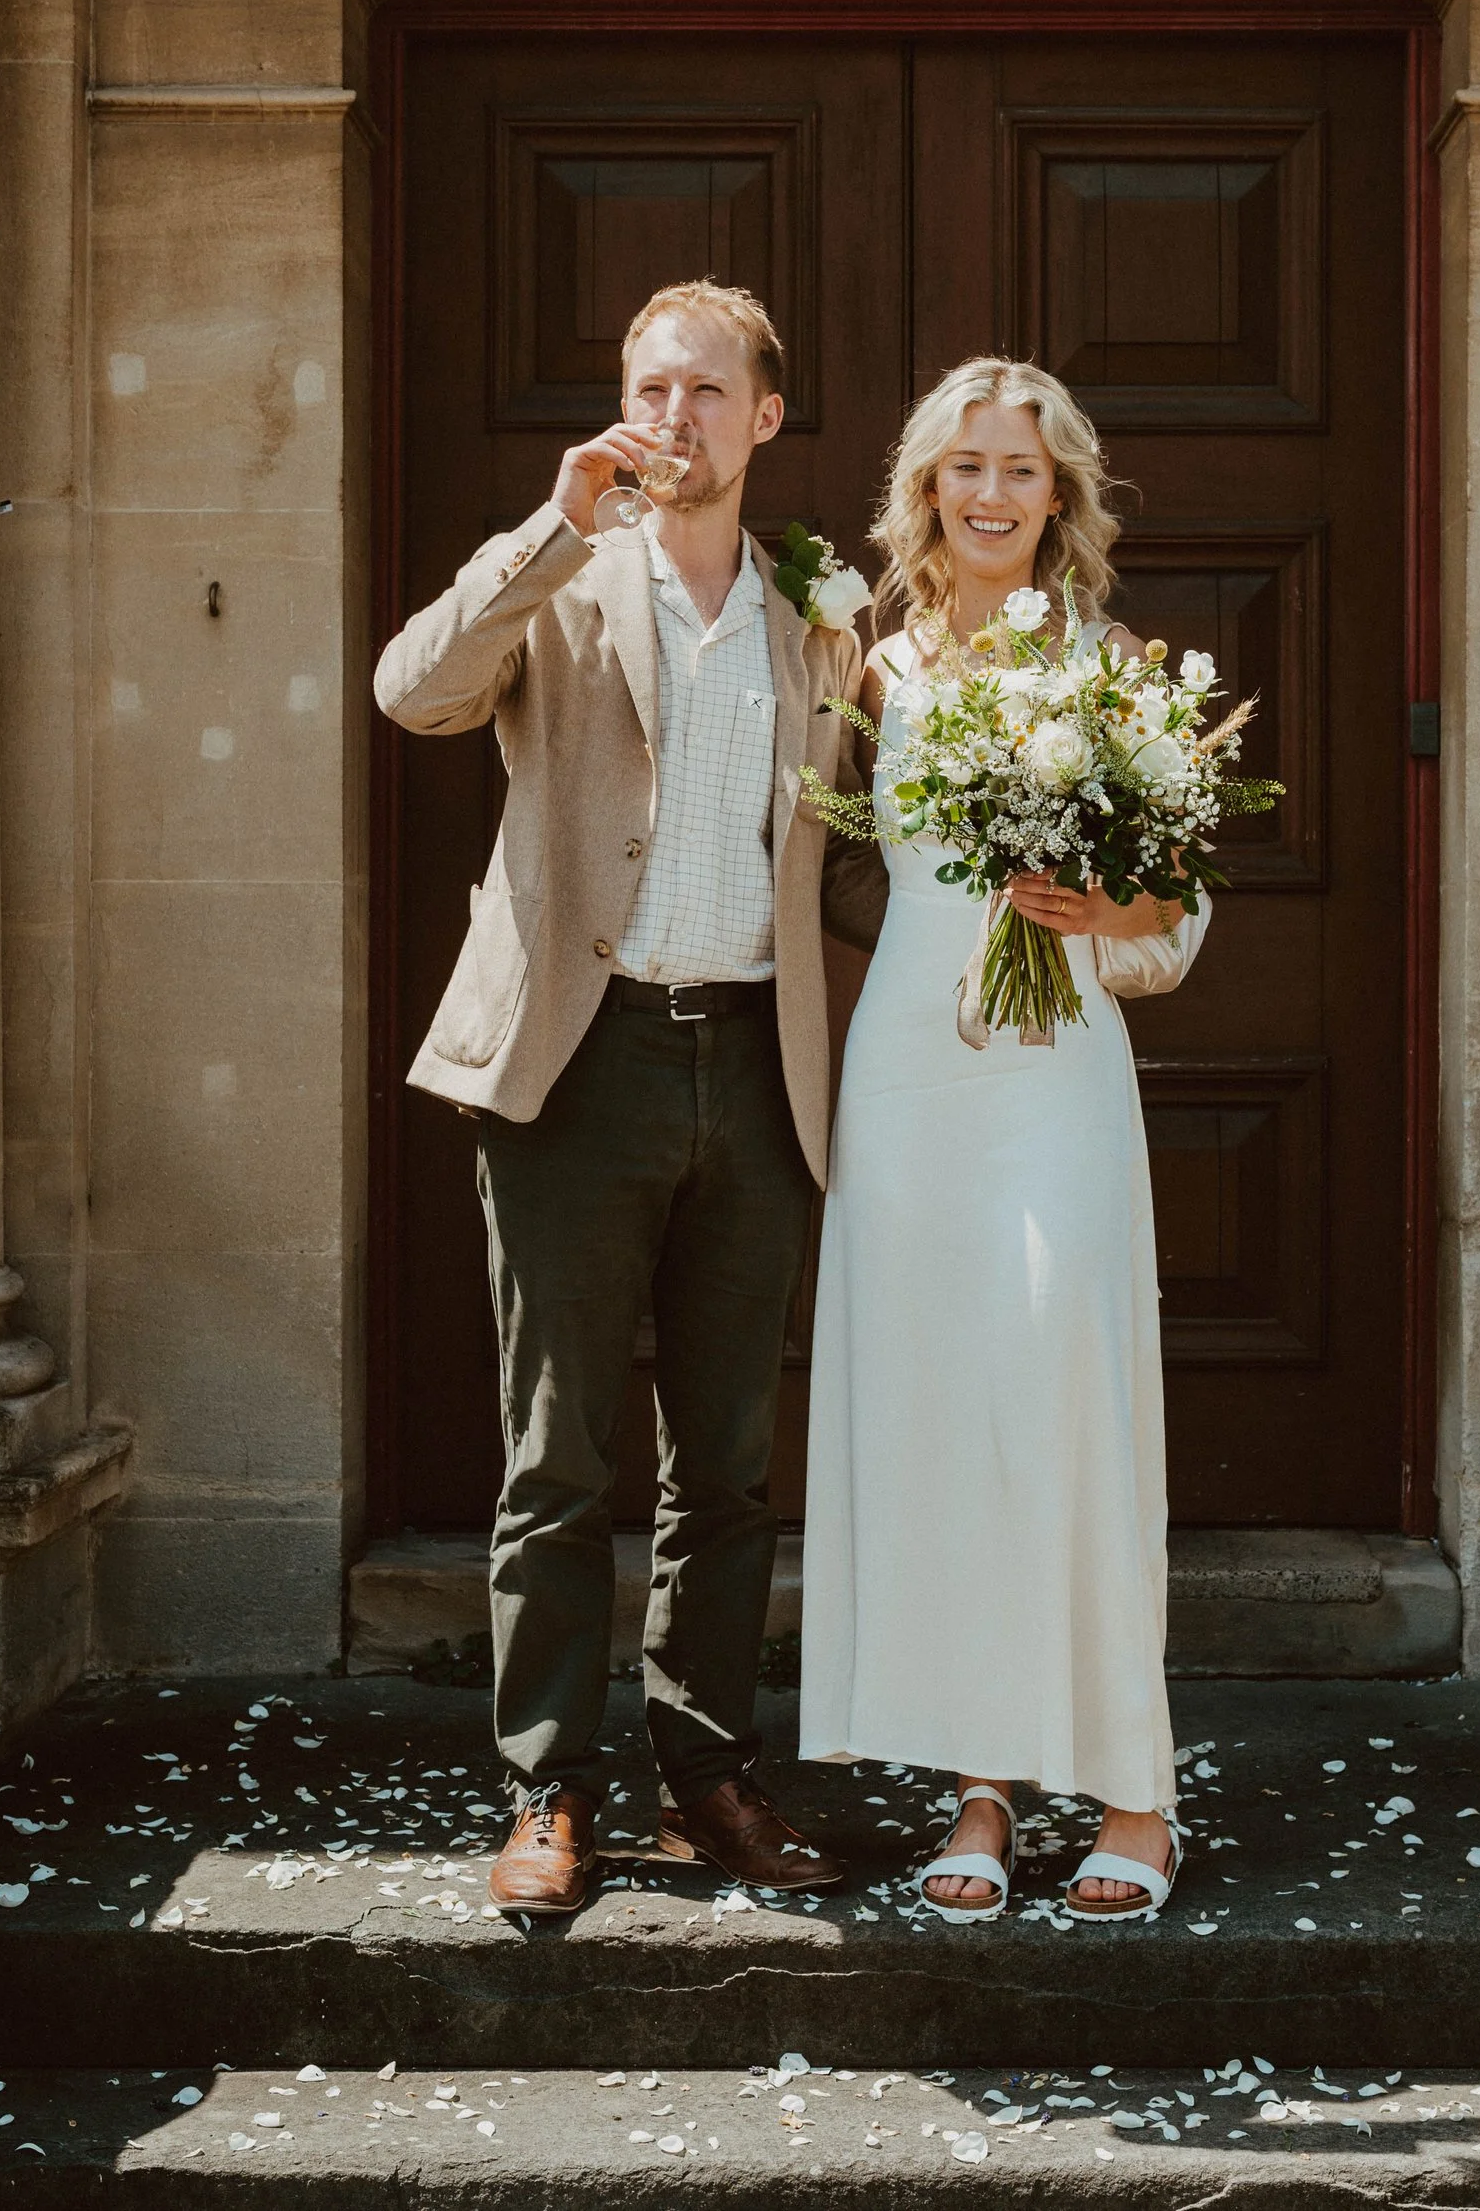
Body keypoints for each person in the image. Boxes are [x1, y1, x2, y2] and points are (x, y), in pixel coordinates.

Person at [374, 279, 883, 1917]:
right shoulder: (570, 582)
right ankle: (545, 1787)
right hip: (576, 1062)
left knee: (726, 1463)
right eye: (650, 388)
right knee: (558, 1458)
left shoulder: (823, 616)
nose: (674, 417)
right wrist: (547, 526)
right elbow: (415, 691)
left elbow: (875, 833)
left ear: (766, 418)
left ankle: (710, 1774)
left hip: (754, 1064)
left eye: (707, 392)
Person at [800, 359, 1195, 1920]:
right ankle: (978, 1795)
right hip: (909, 1077)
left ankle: (1140, 1799)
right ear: (926, 489)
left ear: (1060, 496)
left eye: (1018, 472)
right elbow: (838, 869)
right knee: (945, 1420)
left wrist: (1102, 911)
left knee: (1072, 1404)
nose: (988, 494)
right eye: (964, 467)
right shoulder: (874, 672)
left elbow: (1173, 909)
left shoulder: (1121, 672)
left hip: (1058, 1072)